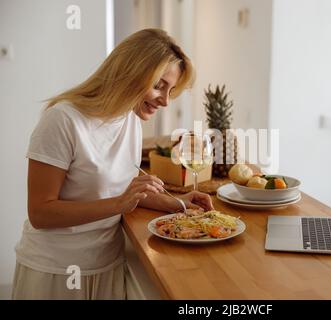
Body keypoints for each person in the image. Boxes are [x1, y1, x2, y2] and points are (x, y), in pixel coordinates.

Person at [12, 29, 214, 300]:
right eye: (159, 86)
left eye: (171, 90)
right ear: (131, 72)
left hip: (108, 264)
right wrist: (118, 205)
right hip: (56, 272)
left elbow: (121, 191)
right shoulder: (63, 120)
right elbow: (40, 213)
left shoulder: (129, 120)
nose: (165, 101)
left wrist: (176, 203)